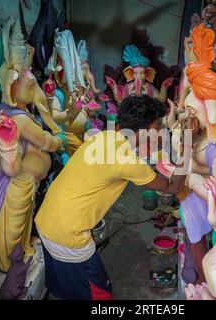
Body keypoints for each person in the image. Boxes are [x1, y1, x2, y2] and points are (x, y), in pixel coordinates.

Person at [34, 95, 191, 300]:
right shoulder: (127, 161)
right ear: (141, 132)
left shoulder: (105, 136)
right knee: (100, 296)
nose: (162, 131)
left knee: (66, 285)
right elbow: (172, 187)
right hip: (68, 235)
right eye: (158, 126)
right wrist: (188, 145)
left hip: (46, 219)